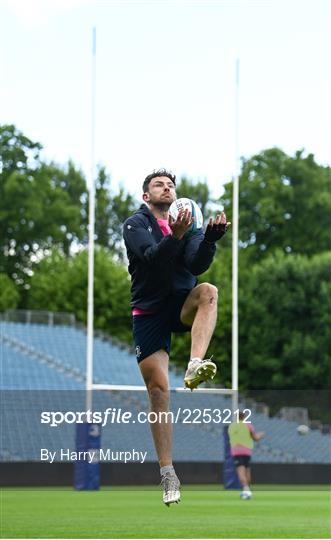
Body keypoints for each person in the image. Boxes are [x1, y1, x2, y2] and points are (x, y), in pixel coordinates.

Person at [123, 168, 229, 506]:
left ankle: (195, 363)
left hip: (180, 303)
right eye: (159, 184)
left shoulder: (187, 221)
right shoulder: (135, 225)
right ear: (146, 196)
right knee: (158, 393)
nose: (166, 188)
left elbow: (196, 266)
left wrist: (208, 240)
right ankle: (168, 473)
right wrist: (175, 236)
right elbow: (152, 260)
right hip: (150, 311)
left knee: (209, 291)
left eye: (170, 185)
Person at [228, 411, 265, 499]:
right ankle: (248, 489)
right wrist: (261, 434)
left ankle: (246, 490)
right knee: (247, 471)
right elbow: (256, 438)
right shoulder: (248, 426)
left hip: (236, 451)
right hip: (247, 451)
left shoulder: (232, 426)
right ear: (244, 417)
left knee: (241, 472)